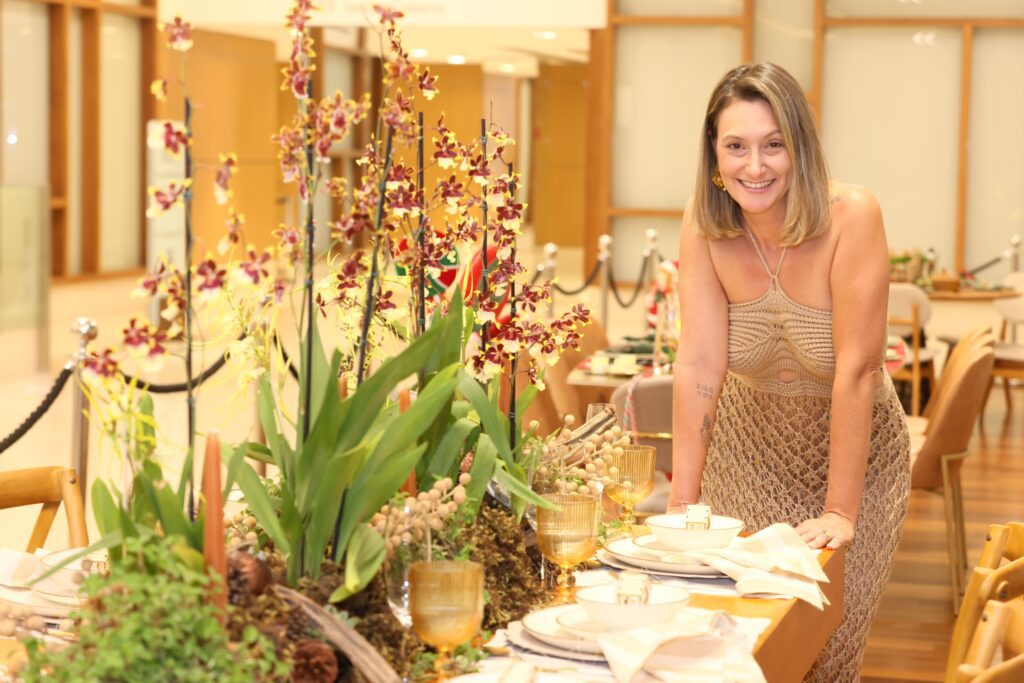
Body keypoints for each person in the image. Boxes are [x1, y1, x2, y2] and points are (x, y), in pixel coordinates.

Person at [668, 62, 910, 681]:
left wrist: (840, 511)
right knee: (741, 638)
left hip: (859, 459)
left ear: (800, 147)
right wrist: (682, 500)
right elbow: (699, 364)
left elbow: (856, 370)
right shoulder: (704, 227)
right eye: (737, 147)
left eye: (774, 144)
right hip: (746, 455)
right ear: (714, 156)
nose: (756, 166)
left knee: (828, 644)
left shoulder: (851, 215)